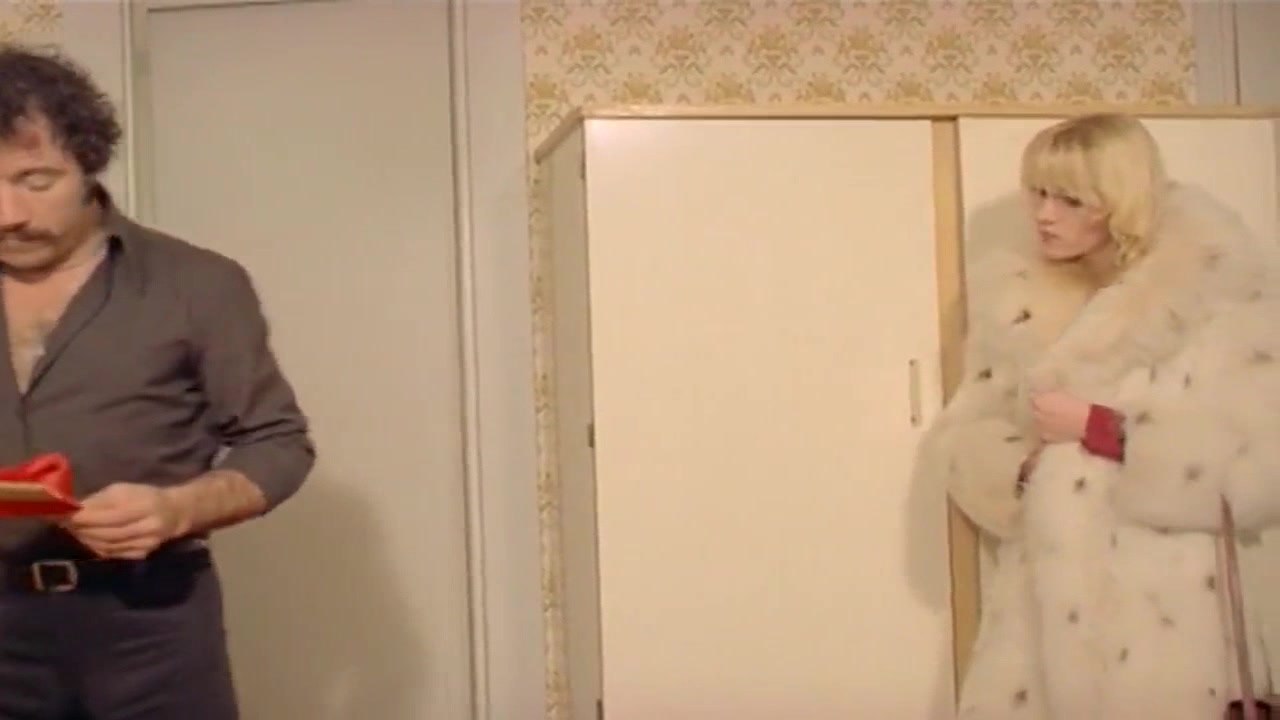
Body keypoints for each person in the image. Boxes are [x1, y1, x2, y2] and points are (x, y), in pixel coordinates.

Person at [915, 112, 1280, 719]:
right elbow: (966, 435)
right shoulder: (1018, 302)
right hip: (1037, 616)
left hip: (1167, 619)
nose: (1044, 215)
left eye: (1069, 199)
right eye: (1038, 193)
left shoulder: (1214, 292)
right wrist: (1021, 470)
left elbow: (1258, 470)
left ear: (1120, 201)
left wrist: (1103, 429)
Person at [0, 44, 314, 718]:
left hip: (150, 623)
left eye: (36, 180)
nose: (8, 213)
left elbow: (279, 444)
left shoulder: (199, 283)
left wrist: (178, 509)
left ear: (88, 163)